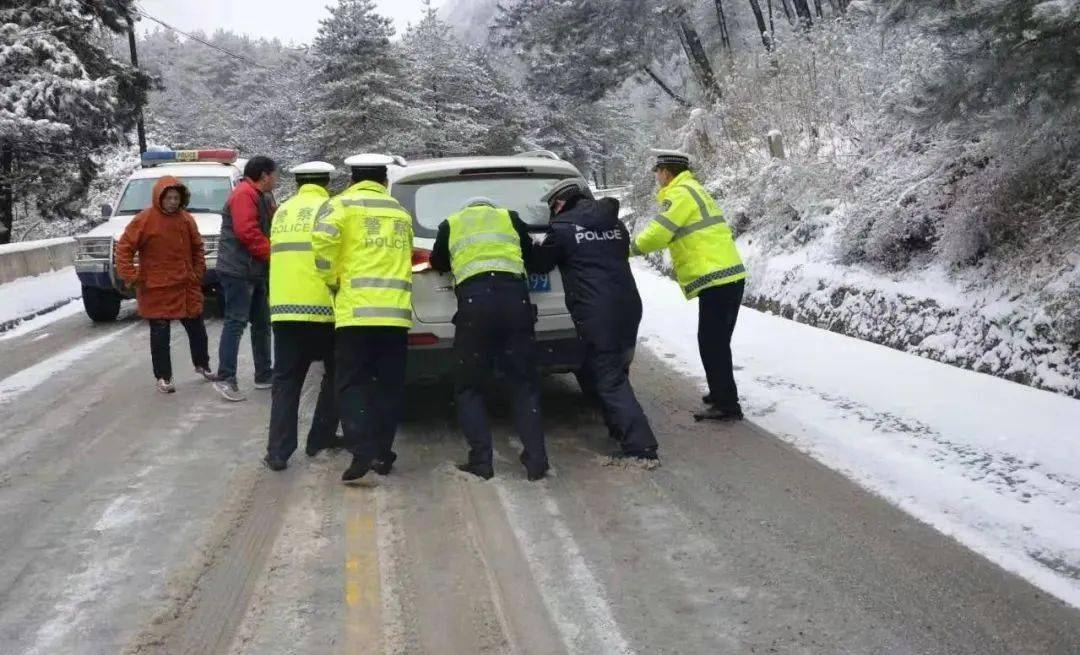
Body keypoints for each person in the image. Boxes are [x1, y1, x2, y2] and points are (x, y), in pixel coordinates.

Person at [532, 179, 659, 461]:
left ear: (561, 203)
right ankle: (619, 428)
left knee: (608, 376)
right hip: (627, 305)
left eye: (553, 207)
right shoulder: (615, 225)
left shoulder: (562, 228)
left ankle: (641, 445)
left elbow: (540, 263)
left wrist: (525, 241)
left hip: (595, 309)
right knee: (615, 368)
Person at [430, 197, 550, 481]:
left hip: (475, 306)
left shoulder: (452, 223)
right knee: (523, 383)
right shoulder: (511, 217)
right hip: (515, 303)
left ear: (467, 209)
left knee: (469, 387)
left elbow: (438, 261)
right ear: (491, 208)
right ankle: (536, 460)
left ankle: (481, 461)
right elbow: (531, 259)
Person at [312, 154, 413, 484]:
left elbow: (322, 246)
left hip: (355, 313)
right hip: (395, 316)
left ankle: (362, 445)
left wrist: (332, 281)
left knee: (351, 382)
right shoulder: (399, 211)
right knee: (389, 386)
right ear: (384, 181)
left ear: (352, 179)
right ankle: (383, 452)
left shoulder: (341, 205)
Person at [631, 150, 747, 421]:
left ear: (667, 173)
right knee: (717, 341)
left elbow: (658, 235)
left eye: (657, 172)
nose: (656, 177)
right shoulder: (695, 189)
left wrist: (627, 248)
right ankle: (721, 393)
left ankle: (727, 406)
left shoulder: (680, 193)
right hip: (729, 275)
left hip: (716, 277)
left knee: (711, 342)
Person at [263, 161, 344, 471]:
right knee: (336, 374)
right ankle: (320, 437)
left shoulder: (282, 212)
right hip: (325, 310)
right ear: (326, 182)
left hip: (284, 311)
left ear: (297, 183)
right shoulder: (331, 209)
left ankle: (278, 452)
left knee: (286, 381)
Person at [115, 176, 214, 393]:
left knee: (197, 328)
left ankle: (202, 364)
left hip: (186, 285)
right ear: (159, 197)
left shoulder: (186, 219)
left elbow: (197, 247)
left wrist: (198, 272)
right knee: (160, 335)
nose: (172, 202)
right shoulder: (144, 220)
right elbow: (124, 247)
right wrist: (131, 275)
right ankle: (163, 376)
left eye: (176, 198)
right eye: (168, 197)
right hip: (156, 287)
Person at [213, 155, 279, 402]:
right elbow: (246, 232)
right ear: (264, 175)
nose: (277, 178)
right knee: (236, 322)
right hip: (238, 271)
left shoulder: (263, 196)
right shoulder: (244, 194)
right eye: (275, 174)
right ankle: (225, 377)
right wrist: (274, 253)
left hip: (255, 270)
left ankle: (263, 373)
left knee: (262, 323)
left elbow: (276, 218)